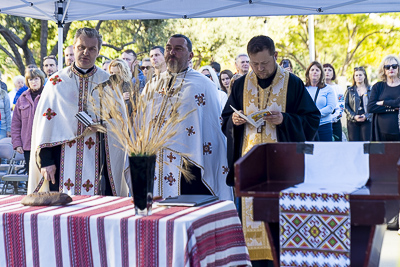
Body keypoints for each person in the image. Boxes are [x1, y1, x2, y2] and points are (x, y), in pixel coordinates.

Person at [221, 35, 320, 264]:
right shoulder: (241, 83)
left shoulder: (292, 83)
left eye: (264, 63)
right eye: (254, 64)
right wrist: (234, 120)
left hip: (282, 169)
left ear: (275, 56)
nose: (259, 69)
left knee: (282, 222)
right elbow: (226, 117)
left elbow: (312, 119)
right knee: (251, 220)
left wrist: (285, 119)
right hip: (250, 167)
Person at [28, 27, 129, 196]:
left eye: (91, 49)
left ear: (99, 51)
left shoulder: (108, 82)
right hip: (61, 161)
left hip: (99, 162)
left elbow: (120, 123)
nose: (85, 52)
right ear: (73, 47)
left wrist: (104, 126)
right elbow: (45, 126)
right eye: (81, 47)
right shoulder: (56, 82)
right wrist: (46, 161)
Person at [144, 34, 233, 201]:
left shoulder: (203, 85)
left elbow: (212, 128)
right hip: (157, 163)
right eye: (169, 48)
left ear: (190, 55)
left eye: (178, 49)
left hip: (190, 165)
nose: (172, 52)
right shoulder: (153, 85)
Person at [11, 69, 45, 174]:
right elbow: (16, 123)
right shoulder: (22, 98)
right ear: (27, 82)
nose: (33, 82)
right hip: (28, 145)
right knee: (32, 176)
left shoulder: (47, 96)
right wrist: (17, 143)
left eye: (36, 79)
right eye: (30, 79)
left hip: (45, 144)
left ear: (41, 80)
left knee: (46, 176)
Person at [367, 55, 400, 141]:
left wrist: (383, 102)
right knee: (382, 155)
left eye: (394, 66)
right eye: (387, 67)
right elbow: (371, 107)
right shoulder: (378, 87)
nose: (391, 69)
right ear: (384, 70)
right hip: (381, 133)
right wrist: (394, 109)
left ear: (398, 68)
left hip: (398, 133)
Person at [305, 61, 336, 141]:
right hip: (308, 126)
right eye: (312, 70)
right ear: (308, 73)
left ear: (321, 74)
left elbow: (330, 107)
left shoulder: (328, 89)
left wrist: (315, 114)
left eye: (317, 70)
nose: (314, 72)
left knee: (325, 151)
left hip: (324, 126)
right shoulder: (303, 89)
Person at [344, 66, 372, 141]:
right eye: (356, 75)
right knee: (354, 144)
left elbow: (374, 105)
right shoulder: (350, 90)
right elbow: (345, 105)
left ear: (364, 76)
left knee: (366, 144)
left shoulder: (371, 90)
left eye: (360, 75)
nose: (358, 77)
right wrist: (353, 116)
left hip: (367, 120)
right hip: (353, 121)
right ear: (354, 77)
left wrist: (366, 116)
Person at [324, 63, 344, 141]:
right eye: (325, 70)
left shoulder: (338, 88)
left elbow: (341, 107)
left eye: (330, 70)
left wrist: (332, 118)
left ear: (333, 73)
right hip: (322, 122)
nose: (327, 72)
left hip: (335, 122)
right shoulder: (318, 87)